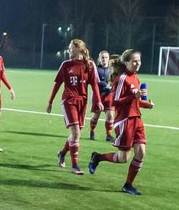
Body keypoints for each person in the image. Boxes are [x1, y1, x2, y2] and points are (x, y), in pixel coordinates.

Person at [89, 49, 153, 194]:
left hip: (137, 119)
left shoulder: (136, 78)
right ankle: (98, 157)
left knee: (141, 152)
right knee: (123, 158)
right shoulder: (121, 79)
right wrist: (134, 96)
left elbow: (135, 101)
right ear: (126, 62)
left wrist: (146, 104)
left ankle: (128, 185)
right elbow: (115, 102)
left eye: (139, 61)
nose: (138, 64)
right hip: (124, 121)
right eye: (134, 61)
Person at [47, 38, 103, 175]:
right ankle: (75, 165)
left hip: (82, 102)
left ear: (78, 49)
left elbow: (94, 84)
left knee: (75, 135)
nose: (69, 49)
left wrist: (99, 101)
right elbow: (57, 84)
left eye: (71, 47)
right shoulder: (66, 65)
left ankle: (62, 153)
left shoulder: (89, 65)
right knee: (76, 133)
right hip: (68, 101)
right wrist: (50, 101)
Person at [88, 49, 114, 140]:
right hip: (98, 95)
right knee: (96, 116)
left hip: (109, 95)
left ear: (109, 58)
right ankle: (91, 131)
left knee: (110, 115)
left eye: (106, 57)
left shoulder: (111, 70)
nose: (104, 59)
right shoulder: (96, 69)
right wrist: (106, 85)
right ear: (99, 59)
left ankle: (108, 135)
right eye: (102, 57)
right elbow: (96, 82)